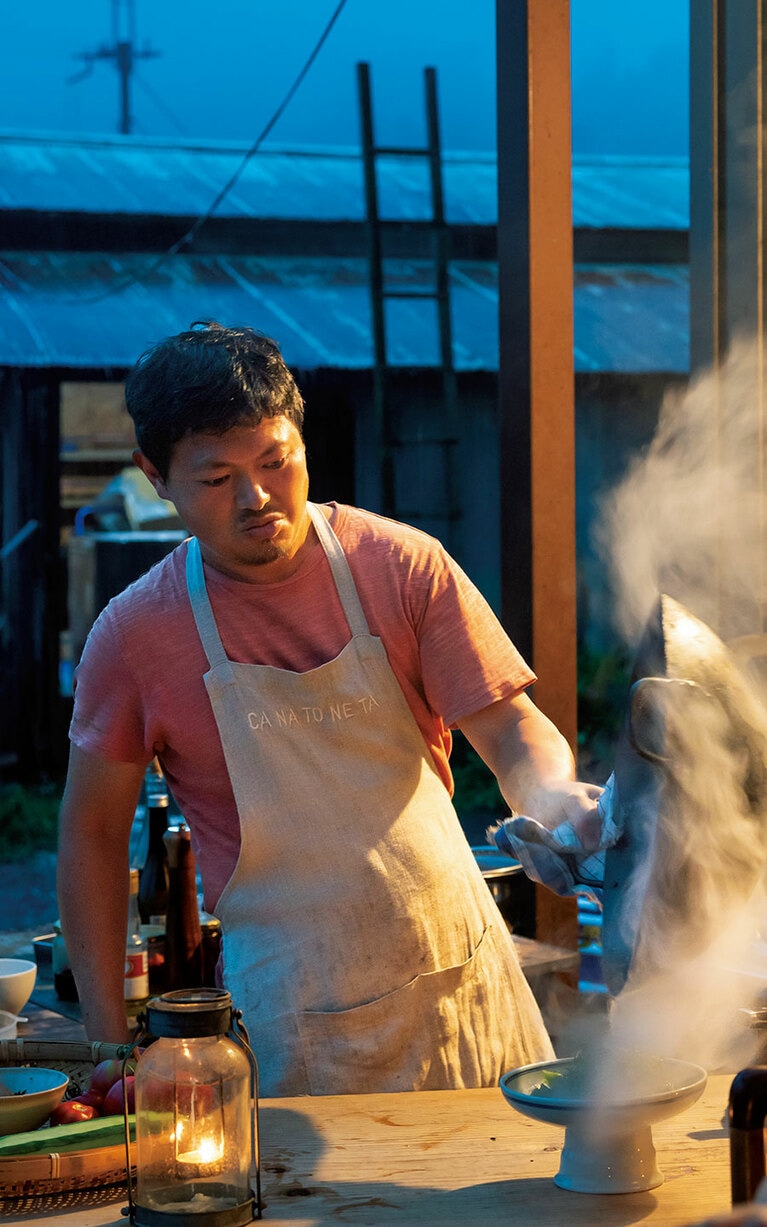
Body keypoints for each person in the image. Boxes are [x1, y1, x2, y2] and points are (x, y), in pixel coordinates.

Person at [57, 321, 602, 1096]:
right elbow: (93, 835)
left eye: (276, 462)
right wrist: (108, 1046)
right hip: (293, 1013)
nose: (257, 499)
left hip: (463, 979)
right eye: (216, 479)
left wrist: (551, 798)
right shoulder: (134, 635)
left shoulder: (401, 564)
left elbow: (509, 723)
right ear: (155, 475)